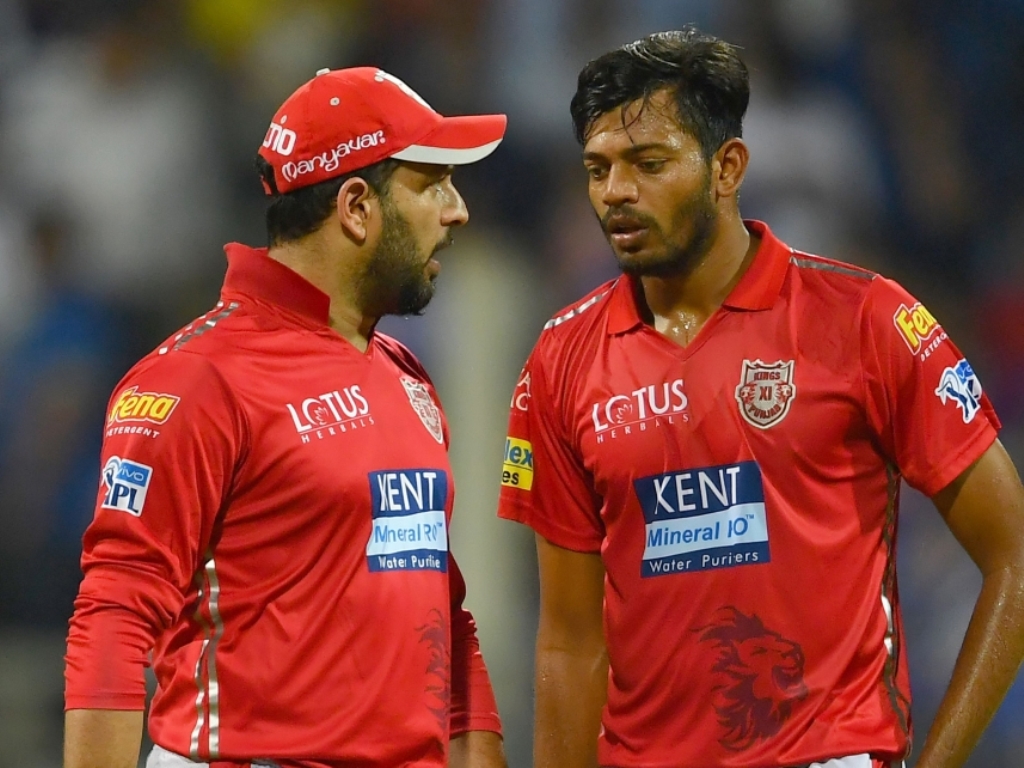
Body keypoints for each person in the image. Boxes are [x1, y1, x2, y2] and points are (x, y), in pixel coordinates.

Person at [496, 29, 1024, 768]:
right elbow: (570, 641)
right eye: (598, 168)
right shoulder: (560, 360)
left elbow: (1013, 554)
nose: (616, 191)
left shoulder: (866, 320)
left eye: (648, 163)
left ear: (727, 168)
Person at [64, 66, 508, 768]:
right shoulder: (196, 379)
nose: (458, 211)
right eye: (432, 185)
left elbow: (444, 615)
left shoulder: (405, 374)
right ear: (357, 207)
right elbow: (114, 616)